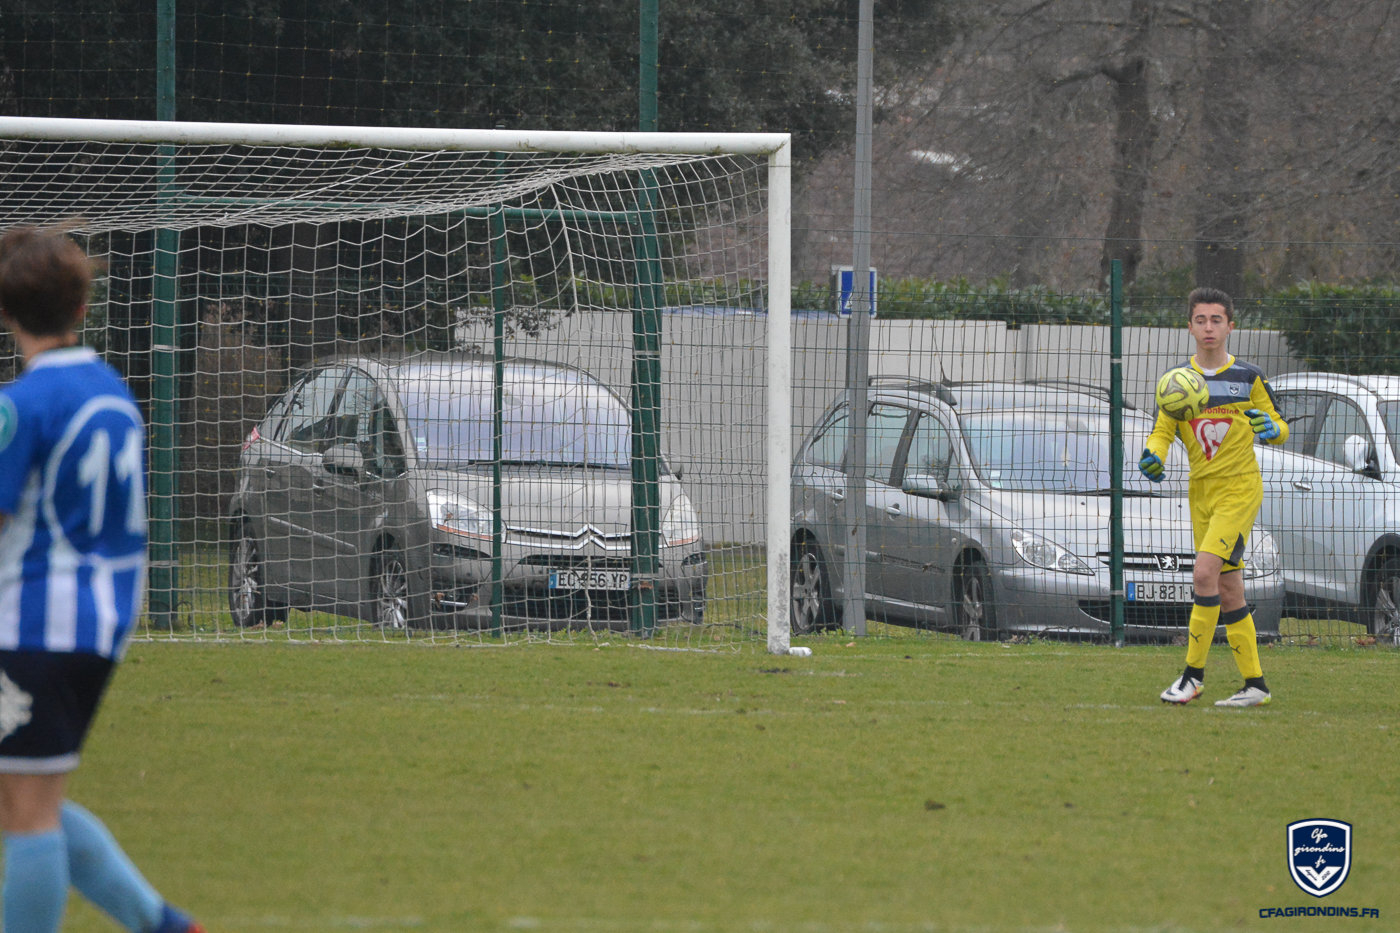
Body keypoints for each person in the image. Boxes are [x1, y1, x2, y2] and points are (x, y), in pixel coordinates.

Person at [0, 226, 203, 933]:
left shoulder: (21, 405)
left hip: (35, 623)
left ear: (6, 311)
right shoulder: (114, 392)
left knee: (28, 810)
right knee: (28, 795)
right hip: (102, 621)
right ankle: (166, 924)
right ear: (84, 307)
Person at [1138, 286, 1288, 708]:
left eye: (1216, 320)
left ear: (1230, 326)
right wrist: (1153, 456)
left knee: (1204, 574)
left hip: (1239, 489)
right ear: (1190, 326)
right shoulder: (1176, 382)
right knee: (1229, 589)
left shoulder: (1249, 377)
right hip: (1200, 493)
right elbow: (1162, 432)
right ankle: (1255, 685)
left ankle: (1193, 677)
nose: (1208, 327)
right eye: (1201, 320)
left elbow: (1279, 425)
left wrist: (1271, 429)